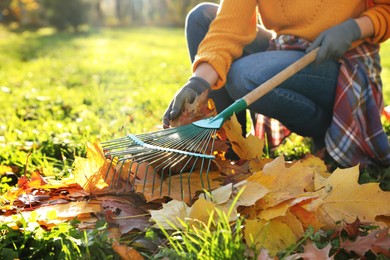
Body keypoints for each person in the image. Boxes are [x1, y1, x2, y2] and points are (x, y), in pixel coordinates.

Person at [162, 0, 390, 169]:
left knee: (244, 76)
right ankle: (231, 148)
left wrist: (355, 28)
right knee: (202, 17)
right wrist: (198, 82)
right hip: (286, 48)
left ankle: (325, 127)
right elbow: (227, 29)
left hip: (343, 58)